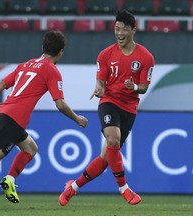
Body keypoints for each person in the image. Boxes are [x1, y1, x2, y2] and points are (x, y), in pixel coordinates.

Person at [0, 30, 88, 211]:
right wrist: (77, 119)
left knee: (31, 147)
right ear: (60, 52)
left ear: (43, 47)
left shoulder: (25, 64)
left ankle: (10, 179)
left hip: (2, 113)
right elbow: (60, 104)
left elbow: (0, 84)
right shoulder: (52, 70)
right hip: (14, 119)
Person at [59, 9, 155, 206]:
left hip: (129, 108)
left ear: (133, 30)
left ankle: (73, 187)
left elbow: (144, 87)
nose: (119, 33)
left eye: (124, 29)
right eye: (117, 28)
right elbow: (101, 83)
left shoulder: (146, 57)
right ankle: (124, 188)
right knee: (113, 139)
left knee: (106, 157)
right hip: (109, 102)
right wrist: (99, 89)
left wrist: (135, 87)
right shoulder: (105, 55)